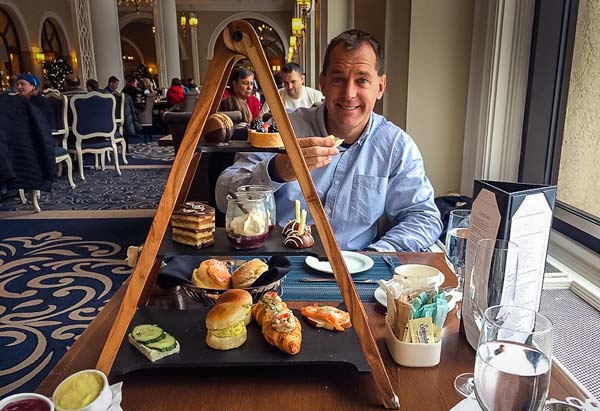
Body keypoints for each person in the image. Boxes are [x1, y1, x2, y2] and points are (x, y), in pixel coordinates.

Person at [216, 30, 442, 252]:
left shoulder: (396, 146)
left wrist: (374, 255)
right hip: (279, 268)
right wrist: (276, 170)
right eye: (338, 79)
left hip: (356, 271)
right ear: (323, 83)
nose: (348, 93)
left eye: (362, 80)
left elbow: (423, 217)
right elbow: (223, 196)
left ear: (380, 87)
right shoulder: (282, 129)